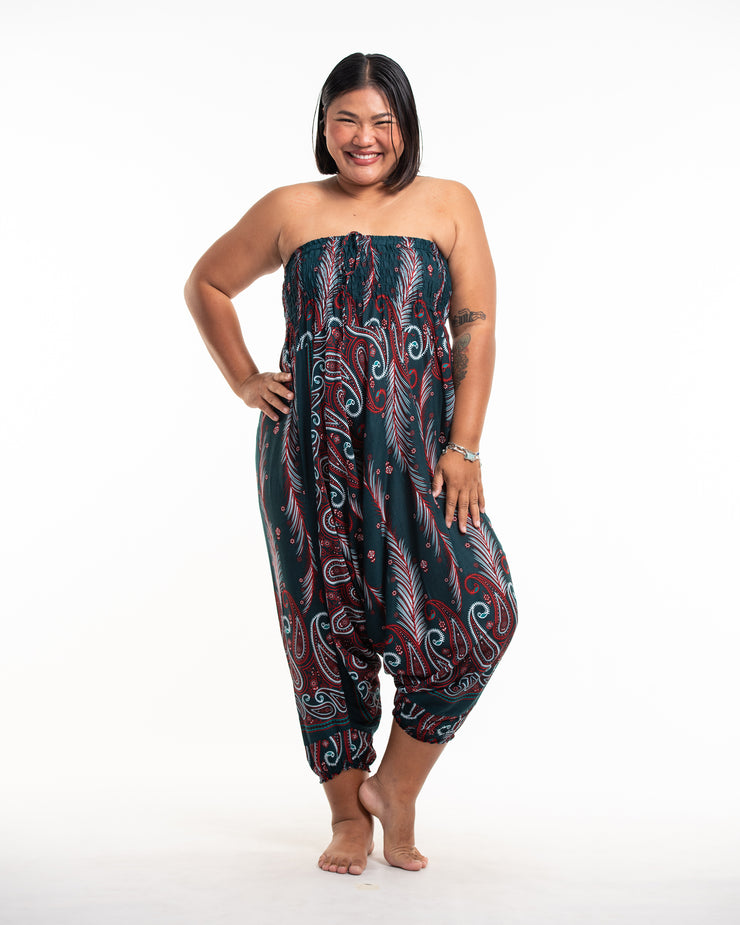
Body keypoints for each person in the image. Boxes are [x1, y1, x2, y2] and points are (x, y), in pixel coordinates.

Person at [184, 52, 518, 876]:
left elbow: (475, 329)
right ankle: (345, 816)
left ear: (405, 127)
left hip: (417, 458)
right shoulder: (289, 208)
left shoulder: (449, 202)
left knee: (484, 613)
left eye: (382, 121)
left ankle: (395, 788)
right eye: (346, 120)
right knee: (321, 626)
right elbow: (207, 284)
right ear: (324, 126)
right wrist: (244, 378)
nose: (364, 138)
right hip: (304, 454)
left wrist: (464, 446)